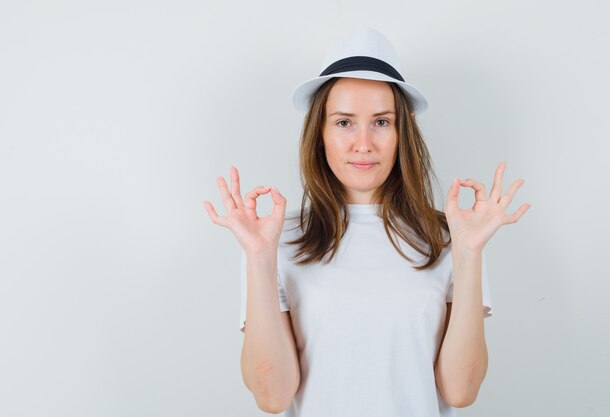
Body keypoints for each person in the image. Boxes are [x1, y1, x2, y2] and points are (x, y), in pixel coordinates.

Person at [203, 28, 530, 417]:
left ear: (401, 131)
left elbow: (460, 390)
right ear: (319, 132)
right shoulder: (277, 238)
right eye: (344, 122)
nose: (363, 143)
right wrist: (258, 255)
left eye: (380, 122)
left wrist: (470, 253)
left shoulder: (450, 236)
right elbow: (272, 396)